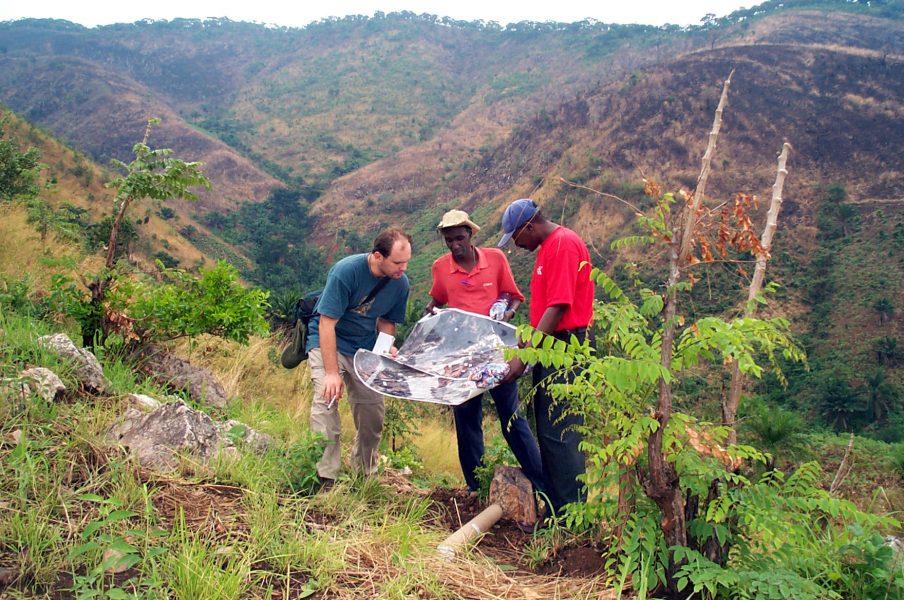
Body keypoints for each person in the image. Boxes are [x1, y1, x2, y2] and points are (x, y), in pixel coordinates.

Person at [425, 209, 546, 495]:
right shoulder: (440, 268)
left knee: (512, 420)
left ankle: (542, 485)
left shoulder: (495, 259)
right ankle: (475, 487)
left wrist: (506, 313)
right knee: (467, 424)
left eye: (459, 238)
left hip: (497, 354)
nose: (455, 245)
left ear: (470, 234)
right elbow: (436, 301)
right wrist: (431, 317)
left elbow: (514, 297)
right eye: (449, 240)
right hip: (460, 359)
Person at [497, 198, 595, 515]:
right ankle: (556, 512)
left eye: (516, 237)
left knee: (563, 432)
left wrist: (525, 358)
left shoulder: (563, 244)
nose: (516, 244)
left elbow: (559, 307)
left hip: (564, 348)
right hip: (549, 345)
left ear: (528, 226)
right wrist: (525, 346)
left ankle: (572, 516)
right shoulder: (547, 247)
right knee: (549, 433)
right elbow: (543, 310)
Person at [306, 227, 412, 488]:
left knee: (372, 414)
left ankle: (363, 474)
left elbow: (387, 323)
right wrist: (332, 373)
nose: (403, 268)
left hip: (363, 349)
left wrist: (383, 352)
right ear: (378, 256)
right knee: (326, 402)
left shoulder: (400, 284)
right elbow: (326, 323)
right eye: (398, 262)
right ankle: (326, 477)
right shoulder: (347, 272)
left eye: (407, 261)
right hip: (328, 343)